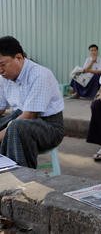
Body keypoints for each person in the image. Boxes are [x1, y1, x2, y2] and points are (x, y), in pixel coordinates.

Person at [0, 36, 64, 168]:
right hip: (20, 117)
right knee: (14, 123)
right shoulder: (4, 77)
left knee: (17, 127)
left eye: (2, 65)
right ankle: (5, 167)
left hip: (49, 127)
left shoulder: (40, 75)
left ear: (18, 58)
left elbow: (29, 116)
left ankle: (21, 176)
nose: (0, 71)